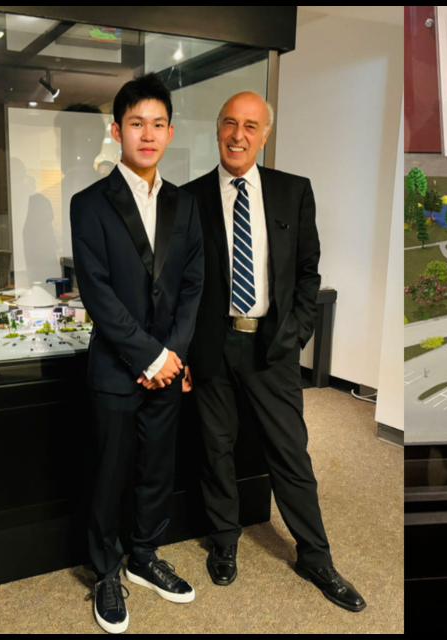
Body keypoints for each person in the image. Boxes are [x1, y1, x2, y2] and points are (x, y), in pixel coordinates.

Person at [181, 92, 365, 612]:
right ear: (218, 130)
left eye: (251, 126)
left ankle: (316, 556)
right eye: (230, 124)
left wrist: (297, 334)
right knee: (215, 448)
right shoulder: (189, 198)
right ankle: (224, 541)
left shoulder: (292, 191)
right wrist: (186, 350)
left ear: (264, 136)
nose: (238, 135)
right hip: (212, 345)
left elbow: (309, 271)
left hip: (273, 346)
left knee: (290, 453)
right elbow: (180, 284)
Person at [71, 74, 205, 634]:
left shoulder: (185, 203)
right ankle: (106, 570)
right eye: (135, 124)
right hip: (118, 369)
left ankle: (146, 555)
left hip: (168, 369)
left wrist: (172, 354)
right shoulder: (90, 203)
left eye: (157, 124)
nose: (146, 135)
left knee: (156, 469)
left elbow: (194, 284)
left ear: (169, 132)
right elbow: (98, 294)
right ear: (116, 130)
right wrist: (150, 357)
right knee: (110, 473)